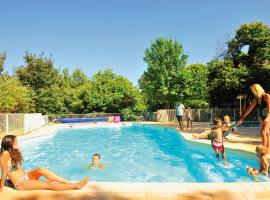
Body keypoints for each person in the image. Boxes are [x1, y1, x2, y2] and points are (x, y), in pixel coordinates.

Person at [0, 135, 89, 192]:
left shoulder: (13, 153)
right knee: (49, 184)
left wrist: (17, 150)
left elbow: (15, 169)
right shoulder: (5, 153)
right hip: (21, 183)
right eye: (15, 142)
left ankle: (67, 182)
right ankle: (76, 186)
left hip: (26, 177)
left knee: (41, 169)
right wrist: (1, 189)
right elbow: (4, 172)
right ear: (9, 144)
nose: (17, 143)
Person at [238, 84, 270, 152]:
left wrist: (267, 117)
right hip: (262, 116)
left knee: (263, 132)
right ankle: (268, 149)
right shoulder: (256, 99)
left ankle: (263, 150)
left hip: (269, 116)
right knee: (266, 132)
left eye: (253, 90)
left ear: (256, 90)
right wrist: (243, 117)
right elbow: (250, 108)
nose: (252, 92)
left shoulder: (266, 96)